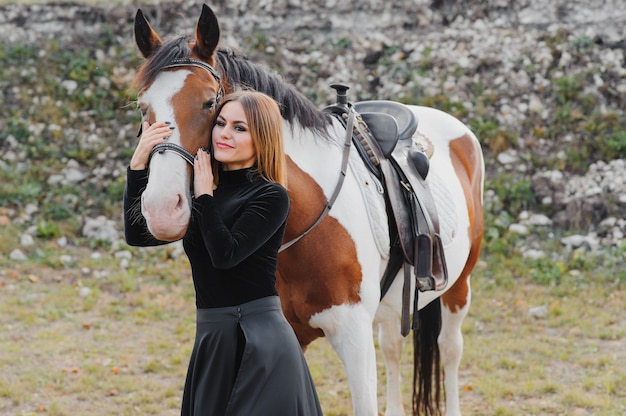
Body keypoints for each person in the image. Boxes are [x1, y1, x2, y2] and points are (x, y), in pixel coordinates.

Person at [123, 90, 323, 416]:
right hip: (213, 339)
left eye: (240, 128)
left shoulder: (271, 195)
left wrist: (204, 197)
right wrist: (137, 165)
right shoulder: (204, 190)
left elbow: (226, 255)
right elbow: (138, 236)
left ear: (263, 138)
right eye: (221, 123)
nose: (225, 134)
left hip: (260, 342)